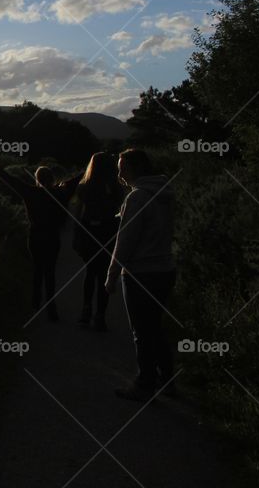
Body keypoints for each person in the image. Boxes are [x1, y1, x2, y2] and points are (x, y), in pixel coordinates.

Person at [105, 148, 177, 401]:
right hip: (165, 269)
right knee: (154, 327)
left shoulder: (136, 198)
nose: (120, 173)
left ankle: (145, 384)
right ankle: (168, 379)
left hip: (140, 273)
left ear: (135, 169)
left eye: (122, 168)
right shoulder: (165, 193)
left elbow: (125, 240)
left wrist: (112, 274)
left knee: (141, 331)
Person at [0, 160, 80, 321]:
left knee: (38, 268)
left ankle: (35, 302)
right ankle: (51, 305)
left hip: (35, 236)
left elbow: (12, 181)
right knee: (50, 271)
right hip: (52, 236)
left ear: (37, 179)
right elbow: (75, 180)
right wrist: (91, 165)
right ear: (52, 178)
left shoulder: (30, 192)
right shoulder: (62, 193)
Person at [73, 153, 124, 331]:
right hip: (108, 232)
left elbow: (78, 214)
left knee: (90, 272)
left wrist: (77, 234)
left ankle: (86, 310)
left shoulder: (84, 186)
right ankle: (100, 315)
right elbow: (120, 210)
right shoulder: (116, 187)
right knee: (103, 274)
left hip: (88, 231)